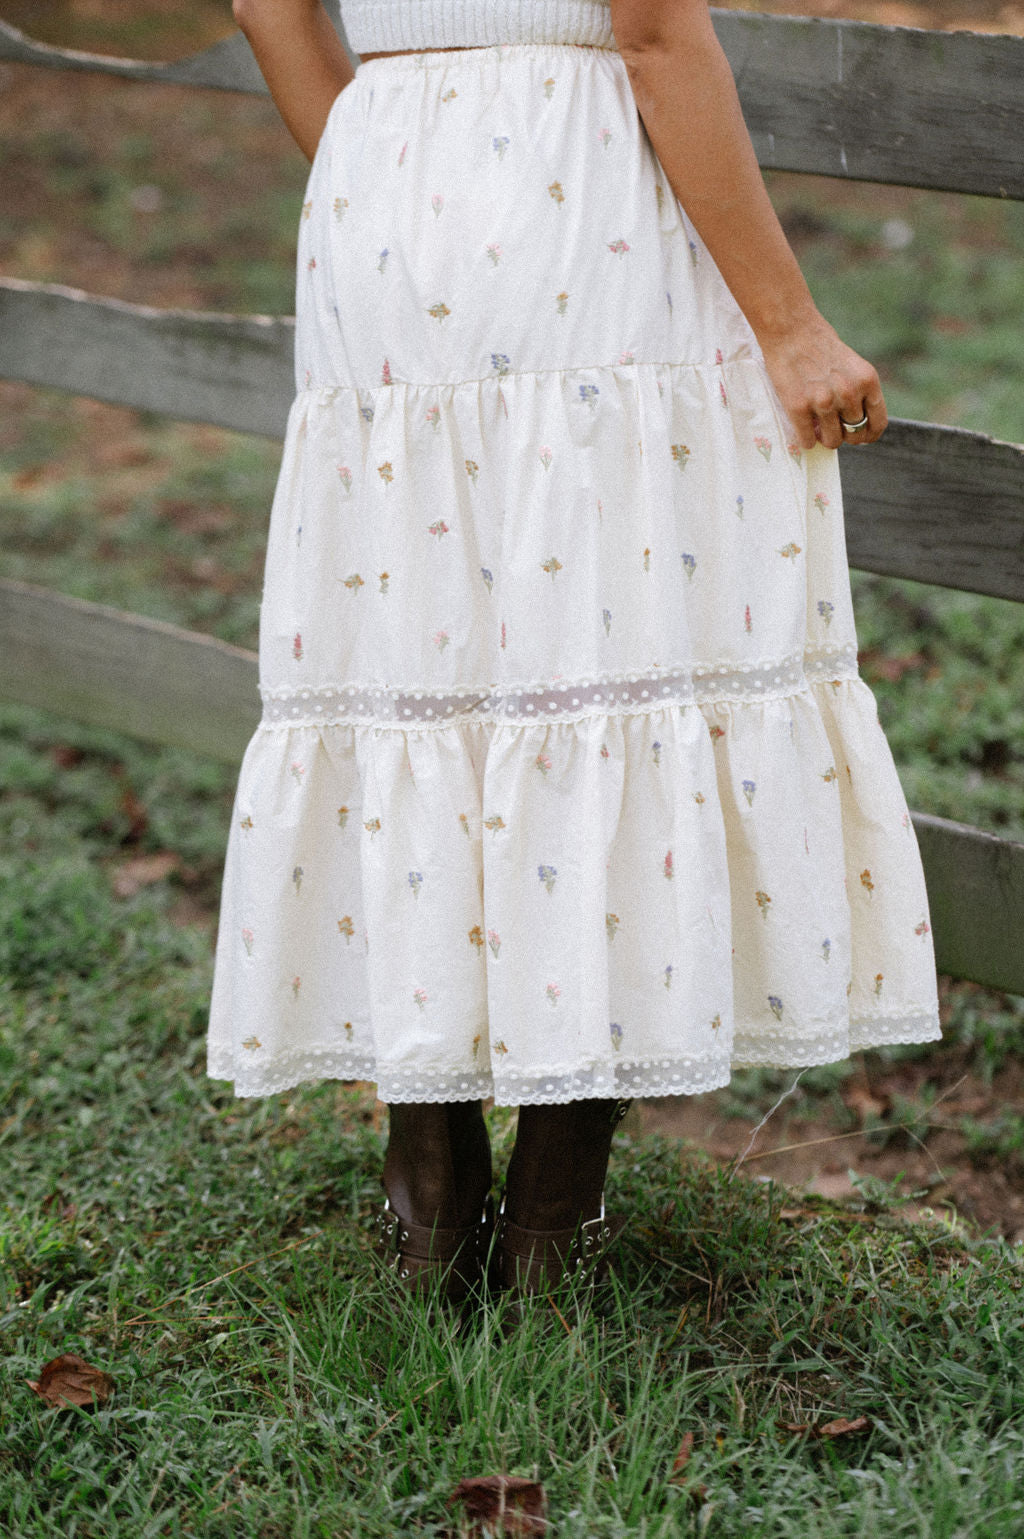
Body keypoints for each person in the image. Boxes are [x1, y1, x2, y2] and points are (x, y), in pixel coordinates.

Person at [210, 0, 941, 1299]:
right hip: (571, 184)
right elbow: (658, 37)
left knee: (415, 657)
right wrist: (788, 323)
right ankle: (553, 1212)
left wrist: (399, 163)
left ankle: (429, 1187)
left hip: (378, 183)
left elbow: (267, 5)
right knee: (601, 643)